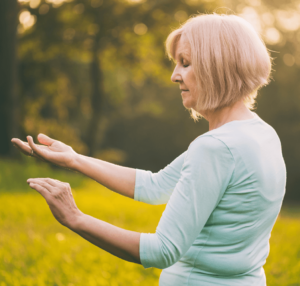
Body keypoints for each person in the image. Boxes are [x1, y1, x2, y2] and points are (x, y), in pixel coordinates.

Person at [11, 12, 286, 286]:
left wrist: (75, 218)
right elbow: (156, 185)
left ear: (218, 66)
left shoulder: (215, 148)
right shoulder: (262, 134)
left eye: (186, 63)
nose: (174, 76)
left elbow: (163, 250)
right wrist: (74, 159)